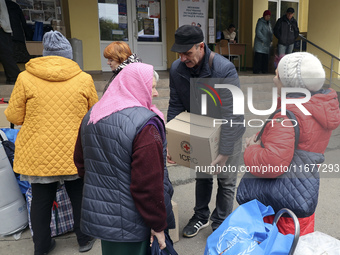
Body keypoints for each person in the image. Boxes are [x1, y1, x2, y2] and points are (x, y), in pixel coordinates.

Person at [4, 31, 98, 255]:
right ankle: (84, 239)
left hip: (38, 153)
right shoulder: (84, 78)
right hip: (74, 151)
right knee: (78, 194)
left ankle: (42, 246)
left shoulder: (25, 77)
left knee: (41, 200)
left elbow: (15, 117)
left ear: (45, 55)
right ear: (69, 55)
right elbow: (94, 115)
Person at [74, 63, 175, 255]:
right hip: (135, 223)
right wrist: (158, 225)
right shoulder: (146, 125)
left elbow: (80, 162)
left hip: (104, 220)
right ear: (134, 86)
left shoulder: (93, 114)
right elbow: (148, 185)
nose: (155, 93)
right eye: (151, 87)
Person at [240, 52, 340, 235]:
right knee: (299, 244)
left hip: (280, 208)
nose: (274, 79)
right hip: (301, 195)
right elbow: (300, 138)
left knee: (277, 246)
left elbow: (271, 163)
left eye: (278, 75)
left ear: (290, 83)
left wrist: (251, 149)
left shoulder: (289, 114)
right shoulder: (318, 107)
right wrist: (263, 136)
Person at [168, 25, 245, 237]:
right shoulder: (177, 69)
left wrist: (225, 152)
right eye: (180, 54)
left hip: (229, 129)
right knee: (202, 176)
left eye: (188, 53)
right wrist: (171, 141)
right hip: (202, 131)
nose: (183, 58)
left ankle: (220, 224)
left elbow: (234, 114)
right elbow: (175, 105)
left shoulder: (224, 69)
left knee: (226, 180)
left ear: (201, 46)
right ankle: (200, 216)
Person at [0, 0, 21, 84]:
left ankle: (14, 77)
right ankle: (13, 77)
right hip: (4, 28)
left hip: (2, 28)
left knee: (5, 54)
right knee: (6, 53)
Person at [253, 10, 273, 74]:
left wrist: (271, 39)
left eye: (269, 16)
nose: (268, 17)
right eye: (267, 16)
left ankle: (264, 70)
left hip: (266, 44)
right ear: (264, 16)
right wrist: (264, 39)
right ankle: (257, 70)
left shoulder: (269, 23)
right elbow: (258, 32)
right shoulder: (260, 22)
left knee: (265, 58)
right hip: (260, 44)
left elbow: (270, 32)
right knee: (259, 57)